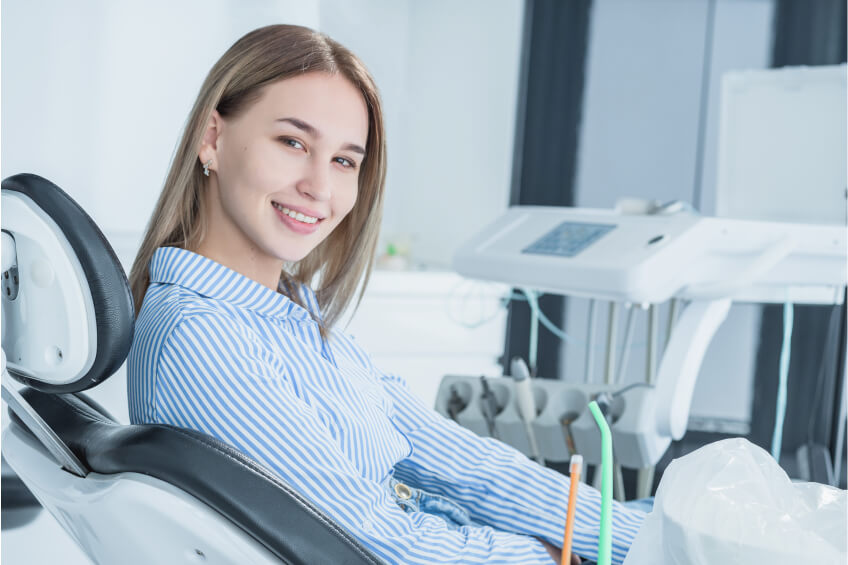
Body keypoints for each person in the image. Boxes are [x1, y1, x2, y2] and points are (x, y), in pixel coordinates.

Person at [127, 24, 645, 564]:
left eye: (344, 161)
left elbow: (468, 467)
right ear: (212, 138)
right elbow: (378, 543)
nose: (320, 188)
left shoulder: (292, 317)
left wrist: (640, 536)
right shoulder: (203, 339)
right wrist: (547, 558)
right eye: (293, 142)